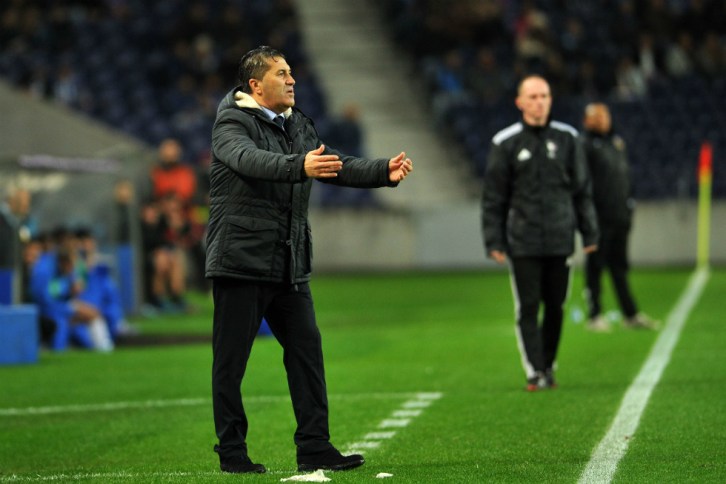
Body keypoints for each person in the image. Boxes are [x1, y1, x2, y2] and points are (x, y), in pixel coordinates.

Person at [206, 46, 412, 474]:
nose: (292, 80)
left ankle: (315, 446)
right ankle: (232, 452)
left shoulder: (297, 123)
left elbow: (333, 163)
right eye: (281, 74)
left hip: (288, 260)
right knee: (231, 363)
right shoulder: (230, 122)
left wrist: (381, 172)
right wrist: (300, 164)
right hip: (240, 260)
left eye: (291, 72)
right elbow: (250, 160)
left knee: (307, 354)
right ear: (255, 85)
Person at [481, 75, 599, 392]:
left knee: (556, 306)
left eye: (544, 96)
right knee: (529, 307)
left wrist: (589, 233)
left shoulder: (568, 138)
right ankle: (535, 370)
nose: (539, 102)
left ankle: (548, 365)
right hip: (523, 241)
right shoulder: (505, 143)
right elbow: (493, 197)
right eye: (532, 97)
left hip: (560, 238)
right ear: (520, 102)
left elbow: (582, 190)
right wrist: (494, 240)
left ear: (551, 100)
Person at [581, 103, 658, 332]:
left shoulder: (616, 143)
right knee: (595, 266)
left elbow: (625, 177)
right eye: (597, 116)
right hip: (598, 218)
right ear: (587, 121)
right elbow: (582, 183)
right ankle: (594, 315)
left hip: (620, 216)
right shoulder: (585, 145)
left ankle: (630, 314)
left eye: (605, 115)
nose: (603, 120)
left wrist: (629, 205)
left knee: (620, 267)